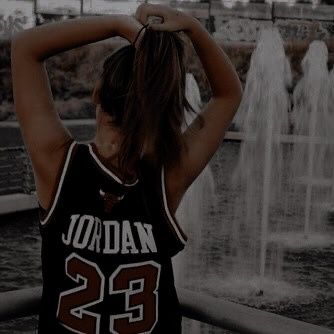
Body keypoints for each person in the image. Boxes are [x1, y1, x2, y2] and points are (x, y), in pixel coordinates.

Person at [11, 3, 242, 334]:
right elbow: (228, 95)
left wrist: (118, 25)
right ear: (157, 109)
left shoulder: (57, 165)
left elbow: (25, 48)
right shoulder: (166, 175)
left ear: (96, 93)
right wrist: (193, 28)